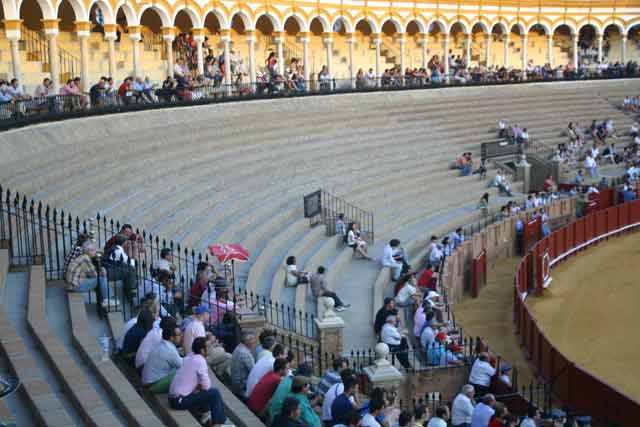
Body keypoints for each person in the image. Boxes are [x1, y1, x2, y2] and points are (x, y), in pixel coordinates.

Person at [168, 337, 227, 426]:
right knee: (214, 392)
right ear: (202, 350)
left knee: (202, 389)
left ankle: (205, 414)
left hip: (173, 398)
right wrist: (200, 386)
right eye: (209, 346)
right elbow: (207, 386)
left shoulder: (190, 356)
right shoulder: (200, 361)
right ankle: (219, 423)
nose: (211, 348)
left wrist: (198, 386)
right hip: (179, 401)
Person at [65, 241, 114, 307]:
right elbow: (94, 275)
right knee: (102, 279)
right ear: (89, 251)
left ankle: (107, 298)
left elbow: (90, 273)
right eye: (94, 250)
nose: (96, 252)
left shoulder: (82, 256)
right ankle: (107, 299)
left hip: (72, 284)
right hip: (75, 286)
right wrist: (103, 272)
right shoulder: (85, 259)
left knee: (100, 280)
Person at [142, 323, 183, 393]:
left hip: (148, 381)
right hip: (153, 385)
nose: (181, 336)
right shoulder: (170, 349)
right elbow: (183, 365)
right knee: (183, 373)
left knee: (176, 369)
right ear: (171, 338)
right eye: (179, 335)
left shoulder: (162, 344)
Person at [230, 330, 256, 396]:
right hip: (242, 386)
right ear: (247, 341)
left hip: (236, 383)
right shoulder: (245, 353)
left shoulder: (238, 347)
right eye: (253, 339)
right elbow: (254, 372)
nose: (254, 341)